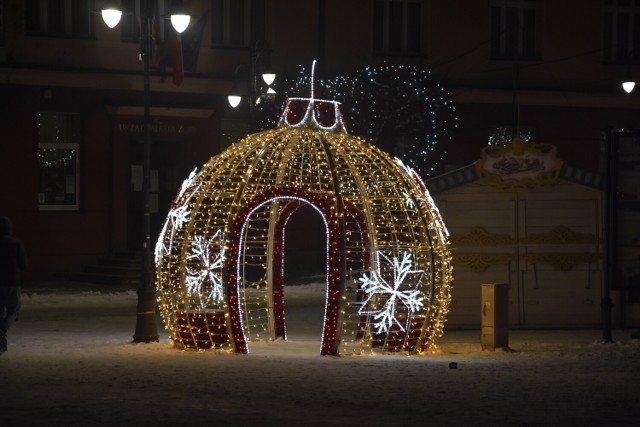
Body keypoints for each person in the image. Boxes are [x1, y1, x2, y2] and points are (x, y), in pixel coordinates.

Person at [0, 216, 27, 354]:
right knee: (13, 311)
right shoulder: (16, 244)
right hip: (12, 282)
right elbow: (23, 264)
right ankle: (2, 330)